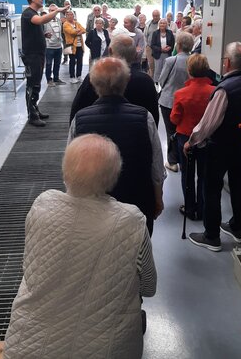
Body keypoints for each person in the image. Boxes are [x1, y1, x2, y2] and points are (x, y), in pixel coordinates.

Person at [3, 134, 157, 359]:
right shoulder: (131, 221)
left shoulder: (42, 205)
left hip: (24, 347)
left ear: (66, 169)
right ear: (112, 176)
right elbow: (149, 287)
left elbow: (28, 267)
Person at [69, 57, 166, 235]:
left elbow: (71, 167)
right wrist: (157, 198)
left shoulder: (80, 119)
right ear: (126, 81)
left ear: (93, 82)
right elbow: (156, 166)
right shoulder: (145, 118)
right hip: (137, 201)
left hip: (94, 204)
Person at [185, 42, 241, 252]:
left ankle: (211, 236)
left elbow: (208, 123)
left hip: (220, 146)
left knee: (211, 188)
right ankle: (238, 227)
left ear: (227, 62)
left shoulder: (225, 89)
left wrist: (191, 141)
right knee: (238, 183)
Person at [69, 34, 159, 127]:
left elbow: (77, 109)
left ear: (110, 51)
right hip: (135, 133)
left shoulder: (95, 75)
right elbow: (153, 116)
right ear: (135, 54)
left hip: (96, 131)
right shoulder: (145, 81)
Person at [170, 54, 215, 220]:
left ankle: (189, 208)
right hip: (207, 138)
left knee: (187, 174)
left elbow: (174, 119)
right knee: (204, 174)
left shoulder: (181, 93)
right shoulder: (215, 92)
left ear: (189, 71)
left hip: (185, 138)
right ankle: (202, 208)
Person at [21, 0, 69, 127]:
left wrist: (43, 35)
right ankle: (32, 115)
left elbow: (33, 29)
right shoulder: (28, 13)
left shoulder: (33, 13)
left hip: (38, 54)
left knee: (36, 83)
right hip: (32, 55)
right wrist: (57, 10)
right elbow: (42, 20)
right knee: (32, 84)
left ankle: (35, 109)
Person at [158, 32, 194, 172]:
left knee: (170, 131)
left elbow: (161, 80)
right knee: (186, 130)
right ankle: (186, 158)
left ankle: (172, 162)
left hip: (169, 101)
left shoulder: (170, 61)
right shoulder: (194, 60)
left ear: (177, 45)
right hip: (188, 101)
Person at [43, 3, 66, 86]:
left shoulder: (59, 21)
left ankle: (56, 78)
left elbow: (61, 33)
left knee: (57, 63)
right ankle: (49, 80)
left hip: (58, 46)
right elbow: (41, 32)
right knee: (48, 64)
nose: (54, 12)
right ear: (49, 11)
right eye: (52, 10)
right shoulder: (45, 21)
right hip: (49, 46)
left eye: (55, 10)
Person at [62, 10, 86, 84]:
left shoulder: (77, 23)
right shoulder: (65, 24)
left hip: (80, 45)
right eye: (68, 14)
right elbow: (71, 32)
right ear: (66, 16)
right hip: (71, 45)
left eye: (71, 14)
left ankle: (79, 76)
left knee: (80, 61)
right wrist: (78, 31)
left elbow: (84, 30)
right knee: (72, 61)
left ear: (74, 15)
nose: (70, 16)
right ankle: (72, 77)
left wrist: (76, 31)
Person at [151, 18, 175, 83]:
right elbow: (152, 45)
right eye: (161, 23)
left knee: (166, 70)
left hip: (167, 54)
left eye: (164, 23)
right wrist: (161, 49)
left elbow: (172, 44)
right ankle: (156, 84)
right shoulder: (155, 33)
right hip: (158, 54)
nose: (162, 24)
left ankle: (165, 83)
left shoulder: (170, 32)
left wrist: (169, 48)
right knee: (157, 70)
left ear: (166, 24)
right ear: (159, 24)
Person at [144, 9, 161, 78]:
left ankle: (157, 80)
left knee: (158, 65)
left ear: (159, 16)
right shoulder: (148, 23)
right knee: (151, 64)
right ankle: (151, 79)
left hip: (159, 48)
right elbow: (145, 35)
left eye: (157, 16)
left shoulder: (162, 22)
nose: (155, 17)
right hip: (149, 47)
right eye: (154, 16)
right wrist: (147, 45)